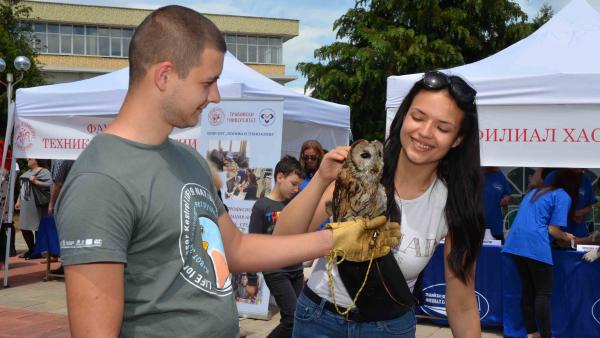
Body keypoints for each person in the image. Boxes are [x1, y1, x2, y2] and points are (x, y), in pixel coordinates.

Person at [55, 6, 399, 337]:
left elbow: (235, 249)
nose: (216, 96)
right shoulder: (100, 181)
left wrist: (335, 238)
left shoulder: (187, 160)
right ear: (164, 75)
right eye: (208, 82)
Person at [275, 70, 484, 337]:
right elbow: (282, 239)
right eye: (417, 117)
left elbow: (463, 305)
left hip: (389, 328)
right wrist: (321, 180)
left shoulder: (455, 204)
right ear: (403, 117)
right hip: (318, 320)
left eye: (443, 128)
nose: (425, 132)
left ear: (457, 139)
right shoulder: (361, 167)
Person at [502, 169, 579, 338]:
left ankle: (532, 333)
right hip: (534, 245)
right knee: (543, 293)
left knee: (528, 290)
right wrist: (567, 236)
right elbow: (553, 230)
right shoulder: (562, 195)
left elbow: (537, 221)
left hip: (515, 243)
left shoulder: (535, 192)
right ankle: (546, 335)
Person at [248, 155, 305, 338]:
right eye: (293, 184)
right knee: (292, 318)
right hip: (275, 270)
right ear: (280, 177)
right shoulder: (261, 206)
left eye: (298, 186)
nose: (296, 189)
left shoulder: (295, 204)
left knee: (299, 319)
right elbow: (253, 242)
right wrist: (251, 279)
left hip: (296, 269)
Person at [543, 168, 595, 238]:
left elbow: (590, 206)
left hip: (578, 233)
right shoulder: (554, 177)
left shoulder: (585, 179)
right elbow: (552, 229)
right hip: (555, 236)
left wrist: (580, 212)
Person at [15, 159, 51, 260]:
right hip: (26, 203)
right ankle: (31, 249)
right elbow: (23, 187)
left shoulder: (44, 171)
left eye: (30, 158)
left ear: (36, 160)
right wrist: (18, 201)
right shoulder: (27, 172)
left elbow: (51, 184)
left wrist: (36, 181)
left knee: (37, 227)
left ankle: (37, 251)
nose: (27, 160)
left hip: (36, 204)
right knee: (24, 227)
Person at [482, 167, 513, 241]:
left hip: (496, 227)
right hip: (478, 227)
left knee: (497, 250)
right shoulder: (475, 174)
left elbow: (507, 193)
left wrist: (506, 199)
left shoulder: (499, 175)